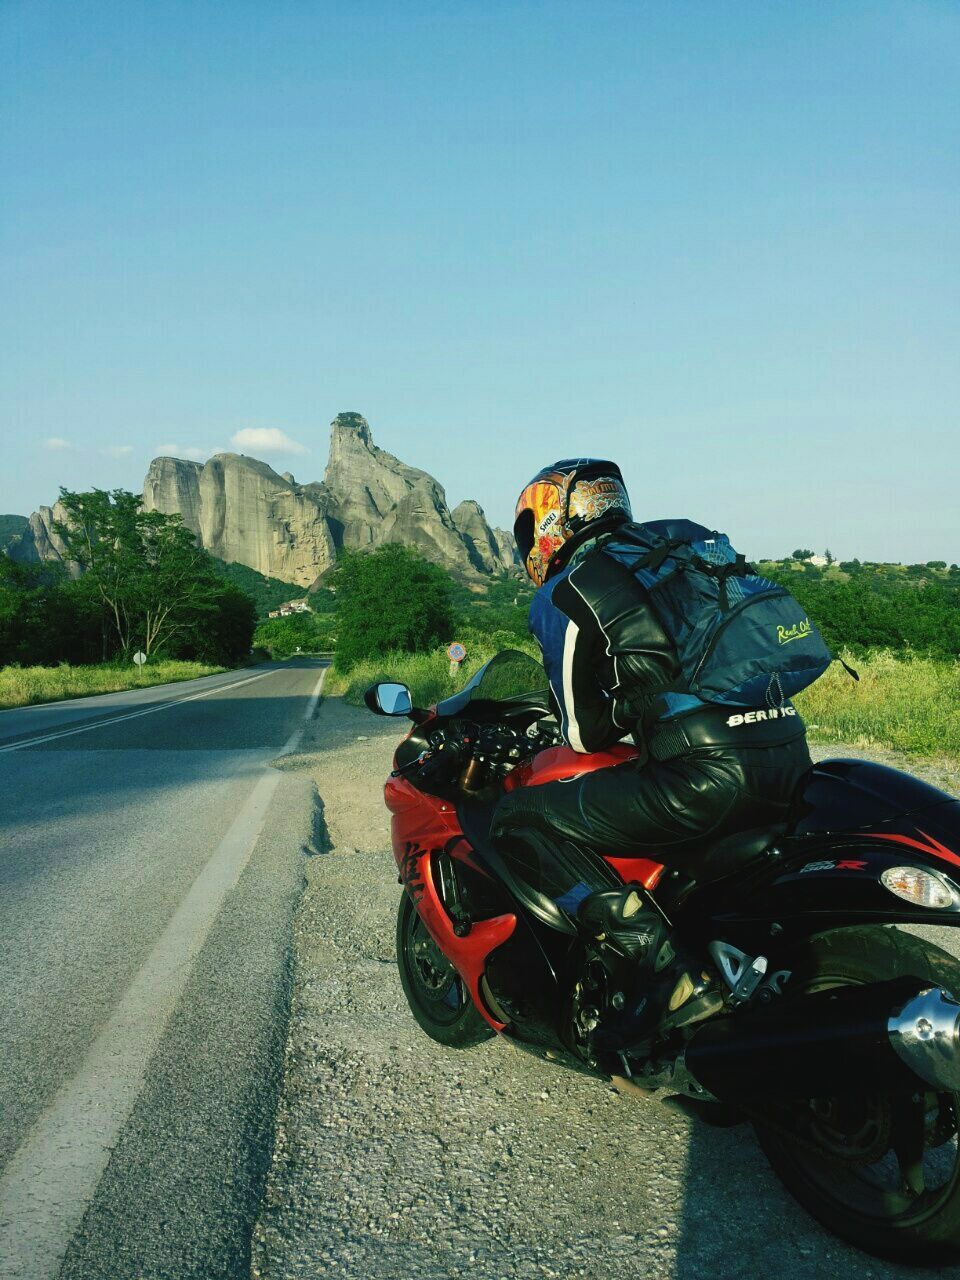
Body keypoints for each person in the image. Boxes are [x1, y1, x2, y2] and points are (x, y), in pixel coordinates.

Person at [492, 458, 812, 1039]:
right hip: (788, 750)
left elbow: (584, 735)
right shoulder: (672, 555)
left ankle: (659, 960)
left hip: (707, 776)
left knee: (517, 816)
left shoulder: (569, 589)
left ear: (549, 523)